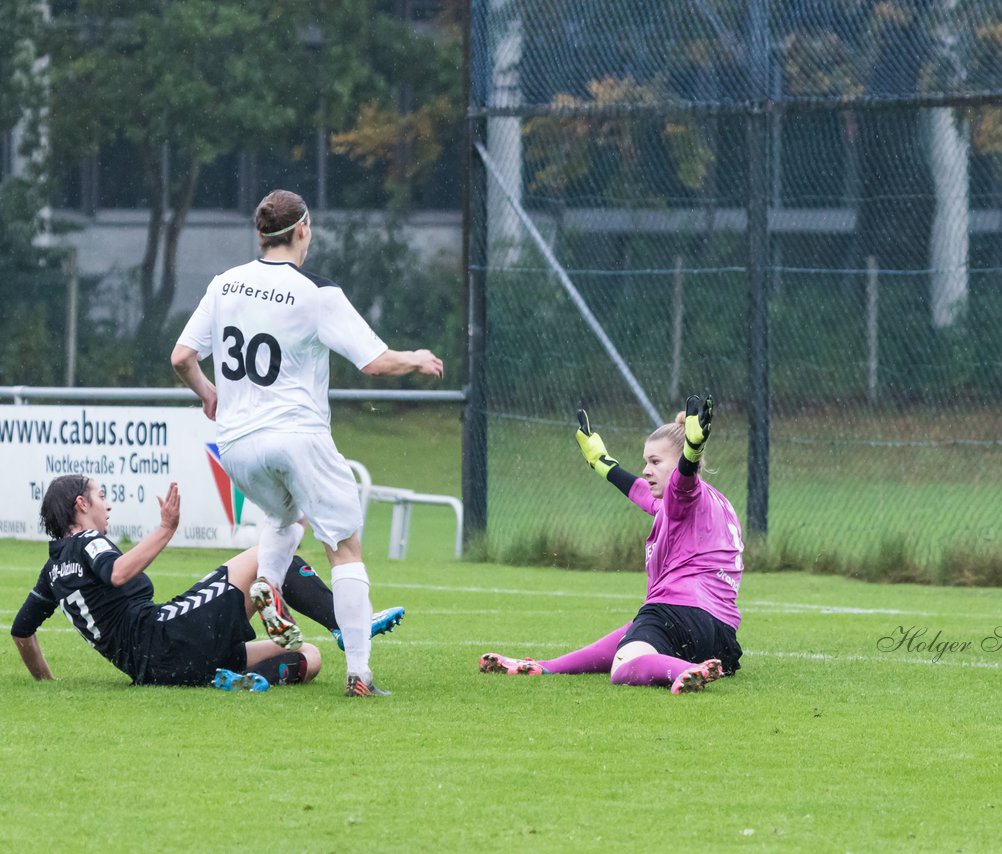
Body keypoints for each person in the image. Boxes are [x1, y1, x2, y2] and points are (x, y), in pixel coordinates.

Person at [170, 188, 442, 698]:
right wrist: (416, 357)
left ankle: (267, 582)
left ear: (259, 234)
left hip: (237, 444)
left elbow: (182, 356)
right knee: (344, 548)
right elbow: (373, 361)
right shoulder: (315, 292)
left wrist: (210, 395)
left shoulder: (225, 284)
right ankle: (360, 673)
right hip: (297, 436)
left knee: (283, 518)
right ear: (303, 230)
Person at [479, 394, 744, 694]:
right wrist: (601, 462)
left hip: (677, 611)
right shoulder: (708, 503)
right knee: (631, 636)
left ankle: (684, 671)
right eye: (646, 461)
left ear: (681, 461)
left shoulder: (684, 493)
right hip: (719, 636)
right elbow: (641, 492)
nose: (646, 469)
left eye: (655, 462)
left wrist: (692, 452)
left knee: (623, 667)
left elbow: (684, 481)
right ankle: (547, 666)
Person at [10, 475, 322, 691]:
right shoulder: (88, 539)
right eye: (101, 497)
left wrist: (46, 681)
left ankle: (225, 679)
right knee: (266, 555)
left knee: (309, 656)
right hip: (168, 636)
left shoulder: (52, 571)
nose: (107, 506)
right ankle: (346, 630)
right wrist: (166, 528)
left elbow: (21, 631)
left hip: (154, 671)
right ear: (81, 504)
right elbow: (116, 572)